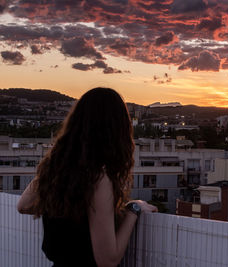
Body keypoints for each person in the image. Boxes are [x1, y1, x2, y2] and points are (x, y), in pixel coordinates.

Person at [17, 87, 157, 267]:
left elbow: (24, 205)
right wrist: (134, 209)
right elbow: (107, 260)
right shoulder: (98, 178)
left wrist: (59, 158)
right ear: (117, 131)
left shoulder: (60, 170)